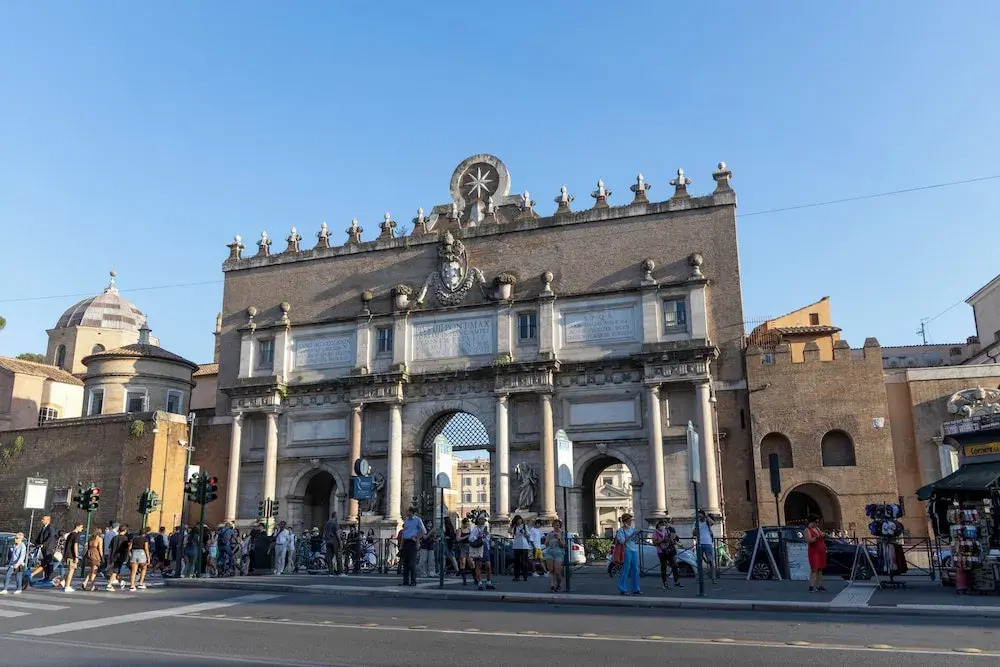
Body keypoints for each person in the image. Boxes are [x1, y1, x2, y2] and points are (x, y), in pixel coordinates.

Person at [652, 518, 682, 589]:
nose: (663, 526)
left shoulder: (666, 531)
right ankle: (665, 583)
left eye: (664, 525)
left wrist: (670, 539)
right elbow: (654, 542)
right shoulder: (655, 533)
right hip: (661, 551)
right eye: (661, 525)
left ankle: (676, 582)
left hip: (669, 550)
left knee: (674, 565)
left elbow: (672, 539)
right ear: (658, 525)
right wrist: (663, 539)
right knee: (664, 566)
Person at [400, 507, 426, 586]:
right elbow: (404, 533)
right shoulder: (406, 521)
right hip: (406, 542)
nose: (406, 513)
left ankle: (413, 581)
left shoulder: (417, 520)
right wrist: (401, 545)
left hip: (412, 542)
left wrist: (417, 538)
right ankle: (405, 581)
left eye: (407, 511)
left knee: (412, 563)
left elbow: (424, 530)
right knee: (405, 563)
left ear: (411, 512)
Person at [615, 514, 641, 595]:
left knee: (635, 570)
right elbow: (622, 541)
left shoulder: (631, 529)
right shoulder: (621, 531)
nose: (630, 522)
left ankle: (636, 588)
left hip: (634, 550)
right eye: (629, 521)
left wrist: (636, 535)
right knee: (625, 569)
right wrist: (632, 535)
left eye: (631, 520)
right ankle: (622, 588)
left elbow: (634, 540)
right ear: (625, 521)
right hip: (626, 551)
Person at [28, 514, 57, 584]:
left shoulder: (51, 527)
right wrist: (35, 543)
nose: (42, 520)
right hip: (43, 548)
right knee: (44, 563)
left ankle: (49, 577)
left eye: (43, 519)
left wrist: (44, 544)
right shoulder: (44, 527)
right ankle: (46, 577)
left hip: (48, 548)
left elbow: (51, 536)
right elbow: (40, 537)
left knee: (48, 563)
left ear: (48, 520)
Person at [693, 510, 717, 584]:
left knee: (710, 561)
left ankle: (713, 578)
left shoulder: (707, 522)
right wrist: (695, 529)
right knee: (699, 561)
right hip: (699, 543)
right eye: (698, 516)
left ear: (703, 515)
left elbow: (712, 523)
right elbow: (694, 533)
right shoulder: (696, 523)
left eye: (700, 515)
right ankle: (699, 577)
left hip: (707, 543)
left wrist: (706, 516)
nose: (699, 517)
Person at [805, 515, 827, 593]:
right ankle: (811, 586)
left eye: (818, 522)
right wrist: (818, 536)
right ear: (812, 522)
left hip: (821, 551)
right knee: (814, 569)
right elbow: (809, 540)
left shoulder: (817, 529)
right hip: (814, 551)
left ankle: (819, 585)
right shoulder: (807, 530)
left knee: (820, 569)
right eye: (816, 522)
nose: (817, 523)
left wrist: (823, 536)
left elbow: (822, 540)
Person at [543, 519, 566, 593]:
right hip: (549, 552)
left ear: (560, 525)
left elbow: (563, 545)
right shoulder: (550, 533)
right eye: (555, 524)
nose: (556, 526)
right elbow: (546, 544)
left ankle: (558, 584)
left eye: (557, 525)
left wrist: (559, 539)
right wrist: (548, 540)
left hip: (558, 552)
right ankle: (552, 586)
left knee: (557, 571)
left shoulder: (562, 533)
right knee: (551, 570)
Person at [61, 521, 83, 592]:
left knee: (69, 570)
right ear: (77, 526)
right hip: (72, 555)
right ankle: (67, 586)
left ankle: (66, 583)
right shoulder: (75, 535)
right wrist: (76, 556)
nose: (82, 529)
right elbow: (75, 545)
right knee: (71, 570)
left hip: (67, 554)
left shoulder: (70, 534)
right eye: (81, 527)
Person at [106, 525, 130, 590]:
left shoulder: (114, 538)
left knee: (118, 570)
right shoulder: (125, 538)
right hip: (121, 556)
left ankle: (121, 581)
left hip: (114, 555)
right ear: (125, 531)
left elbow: (110, 548)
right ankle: (109, 584)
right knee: (116, 571)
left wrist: (110, 557)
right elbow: (127, 549)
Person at [128, 527, 151, 591]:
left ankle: (132, 585)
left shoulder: (134, 539)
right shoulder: (145, 539)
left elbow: (129, 548)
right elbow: (146, 549)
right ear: (145, 533)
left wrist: (130, 554)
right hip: (142, 553)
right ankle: (141, 583)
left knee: (133, 570)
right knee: (144, 568)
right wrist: (148, 558)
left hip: (134, 553)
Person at [510, 515, 531, 582]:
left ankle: (525, 576)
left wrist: (524, 532)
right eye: (518, 520)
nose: (519, 521)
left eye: (520, 520)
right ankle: (517, 576)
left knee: (524, 562)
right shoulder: (514, 527)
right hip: (516, 546)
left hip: (524, 546)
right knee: (516, 562)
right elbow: (510, 533)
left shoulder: (525, 526)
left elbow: (528, 535)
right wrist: (511, 526)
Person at [323, 512, 344, 576]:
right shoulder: (335, 523)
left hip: (328, 541)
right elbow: (337, 533)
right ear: (335, 516)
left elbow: (324, 533)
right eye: (337, 516)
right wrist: (340, 542)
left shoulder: (327, 523)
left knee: (329, 557)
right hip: (335, 542)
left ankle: (331, 571)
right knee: (338, 557)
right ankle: (340, 572)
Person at [456, 517, 472, 585]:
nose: (466, 526)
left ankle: (475, 578)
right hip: (463, 546)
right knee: (463, 563)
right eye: (465, 524)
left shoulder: (469, 529)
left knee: (471, 563)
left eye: (467, 524)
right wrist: (466, 536)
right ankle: (464, 580)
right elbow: (458, 539)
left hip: (469, 547)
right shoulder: (460, 530)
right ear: (463, 524)